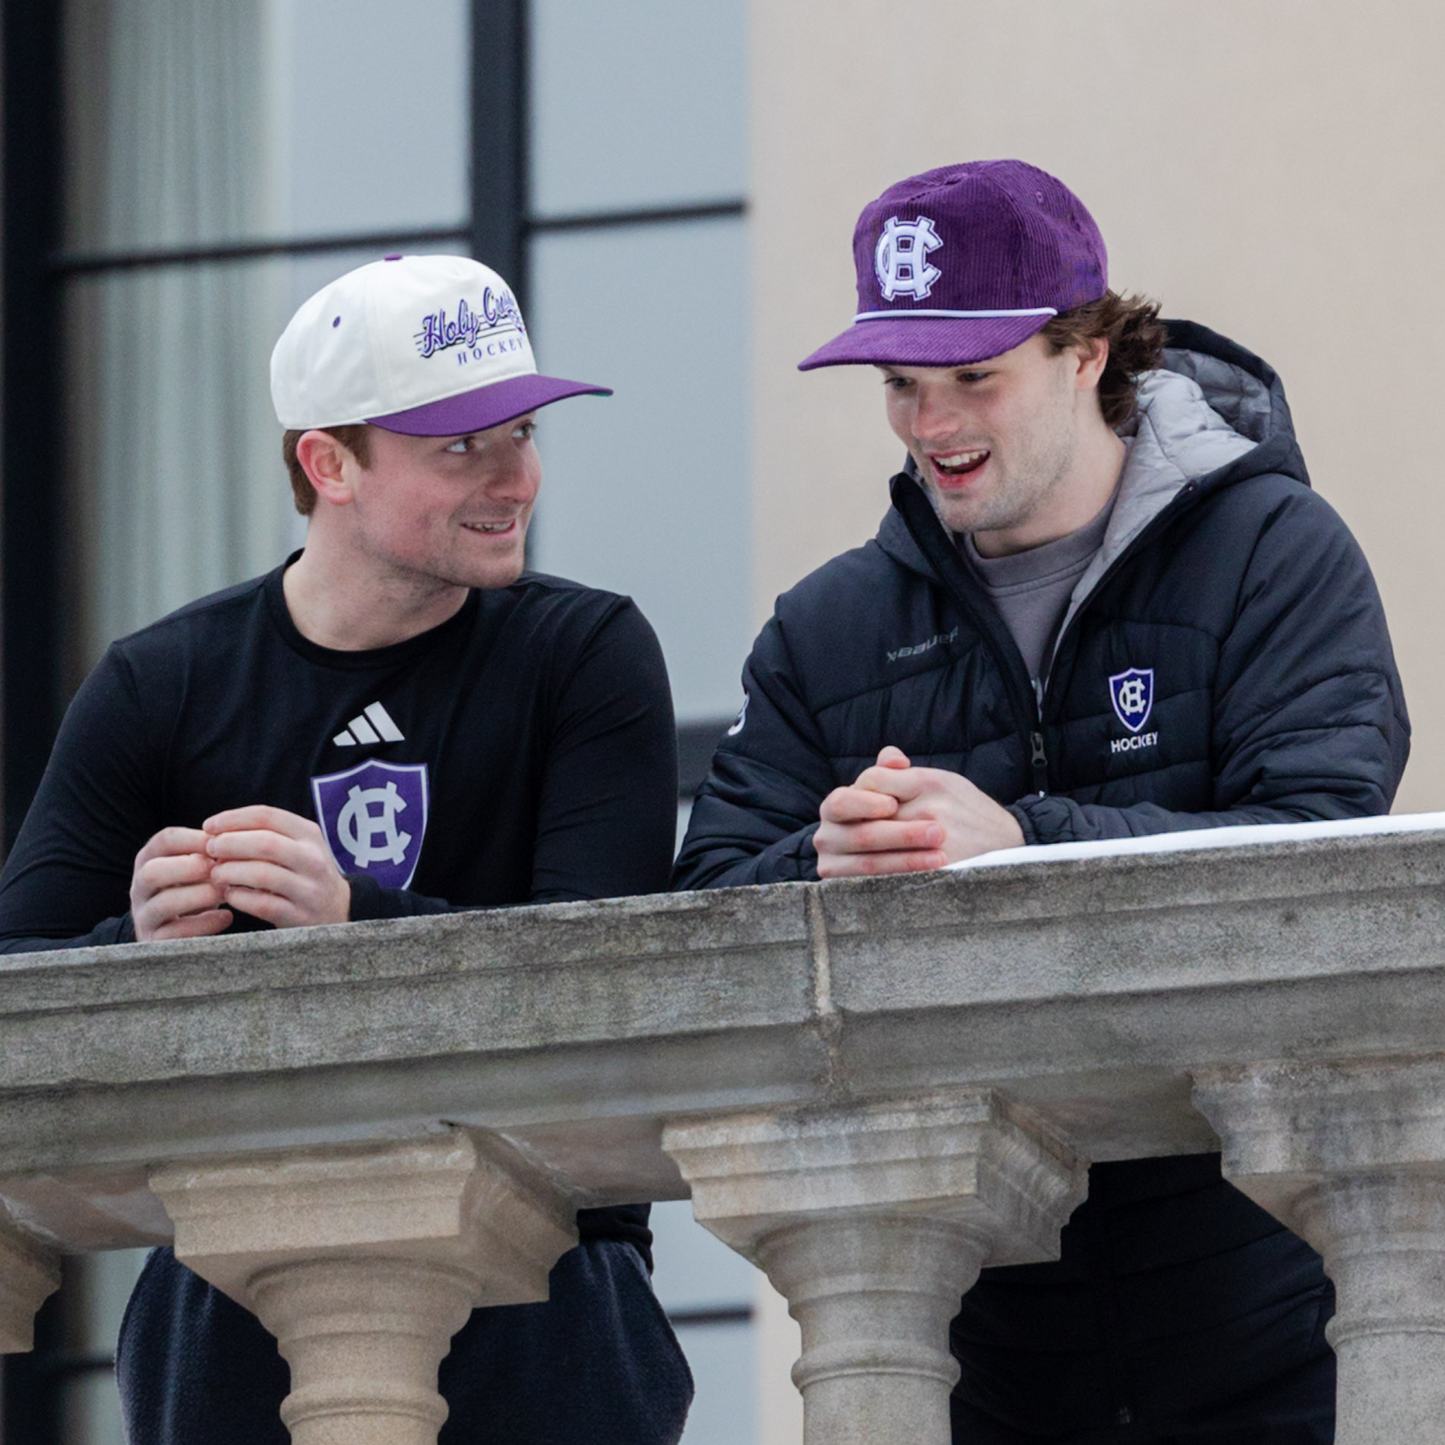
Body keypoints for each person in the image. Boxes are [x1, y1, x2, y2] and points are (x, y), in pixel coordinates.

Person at [674, 161, 1410, 1443]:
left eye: (972, 376)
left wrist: (1025, 841)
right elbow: (698, 910)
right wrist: (821, 857)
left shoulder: (1276, 551)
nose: (928, 421)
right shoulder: (824, 628)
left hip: (1279, 1324)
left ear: (1089, 351)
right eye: (900, 382)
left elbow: (1323, 855)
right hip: (972, 1350)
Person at [0, 254, 693, 1444]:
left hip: (553, 1282)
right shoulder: (160, 683)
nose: (514, 478)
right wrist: (142, 941)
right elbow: (20, 981)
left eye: (520, 432)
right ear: (328, 462)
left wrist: (352, 924)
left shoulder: (583, 653)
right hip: (228, 1296)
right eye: (458, 447)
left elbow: (611, 994)